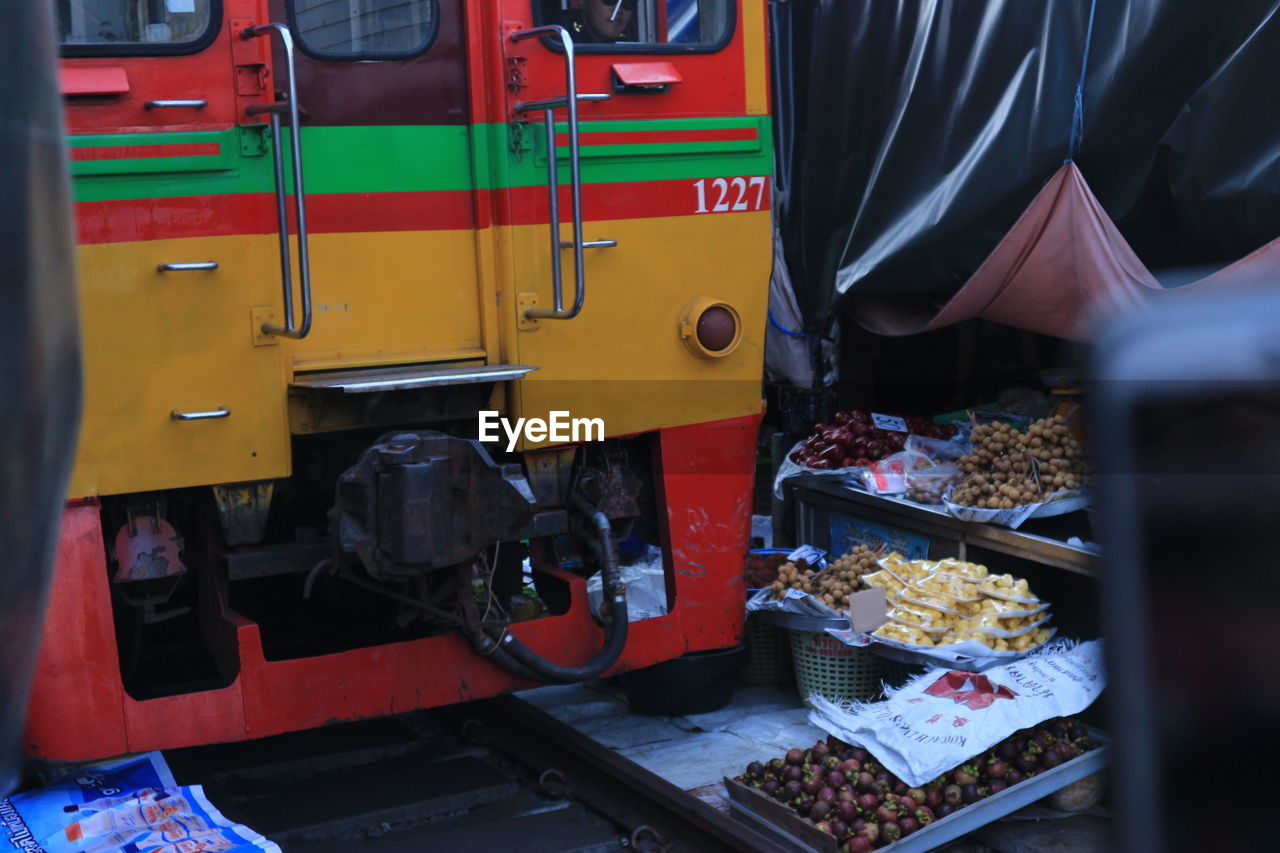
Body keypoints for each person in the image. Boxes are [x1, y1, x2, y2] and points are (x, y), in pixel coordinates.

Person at [563, 0, 636, 44]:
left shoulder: (629, 47)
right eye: (610, 0)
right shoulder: (558, 38)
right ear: (583, 1)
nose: (619, 10)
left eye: (628, 2)